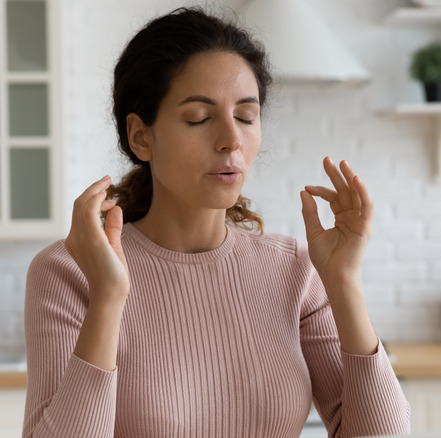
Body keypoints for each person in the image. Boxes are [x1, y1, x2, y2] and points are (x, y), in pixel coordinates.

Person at [22, 7, 410, 438]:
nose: (232, 140)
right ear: (141, 136)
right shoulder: (71, 271)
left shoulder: (294, 271)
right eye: (199, 118)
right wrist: (109, 297)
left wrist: (343, 282)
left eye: (246, 116)